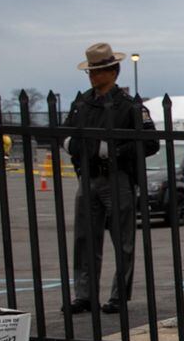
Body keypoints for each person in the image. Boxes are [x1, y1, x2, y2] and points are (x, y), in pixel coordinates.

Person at [64, 43, 158, 315]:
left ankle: (119, 296)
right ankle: (84, 295)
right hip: (88, 176)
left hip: (117, 178)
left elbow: (149, 143)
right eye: (90, 71)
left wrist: (114, 151)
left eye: (98, 71)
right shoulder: (82, 102)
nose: (93, 76)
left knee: (123, 241)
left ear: (113, 72)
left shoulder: (128, 106)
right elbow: (68, 134)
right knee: (85, 240)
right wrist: (75, 147)